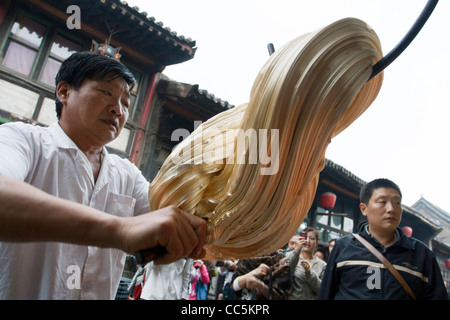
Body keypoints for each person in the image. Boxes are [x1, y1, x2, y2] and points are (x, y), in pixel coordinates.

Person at [0, 52, 207, 299]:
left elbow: (176, 216)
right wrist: (120, 230)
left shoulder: (127, 175)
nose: (117, 110)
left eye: (126, 103)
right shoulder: (22, 140)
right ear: (64, 92)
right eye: (106, 93)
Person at [318, 178, 448, 300]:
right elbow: (326, 294)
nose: (391, 209)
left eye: (397, 203)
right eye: (382, 202)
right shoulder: (343, 247)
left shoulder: (421, 254)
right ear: (364, 209)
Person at [285, 227, 327, 299]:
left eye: (312, 238)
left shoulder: (322, 265)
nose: (307, 241)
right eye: (305, 237)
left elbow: (322, 290)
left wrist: (309, 273)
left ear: (316, 243)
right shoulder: (290, 255)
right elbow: (286, 272)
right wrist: (296, 251)